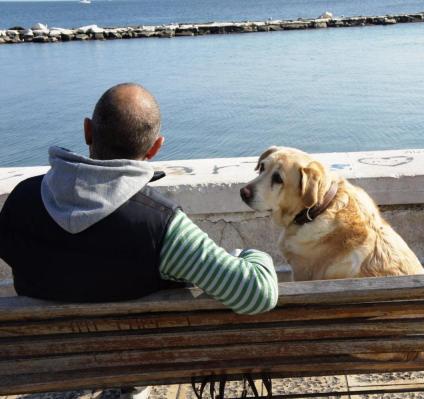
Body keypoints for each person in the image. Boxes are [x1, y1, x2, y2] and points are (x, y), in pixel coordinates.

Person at [0, 83, 279, 398]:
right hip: (133, 361)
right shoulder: (162, 226)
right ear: (155, 148)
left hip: (43, 362)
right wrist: (253, 254)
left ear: (88, 131)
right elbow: (256, 295)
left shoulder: (21, 201)